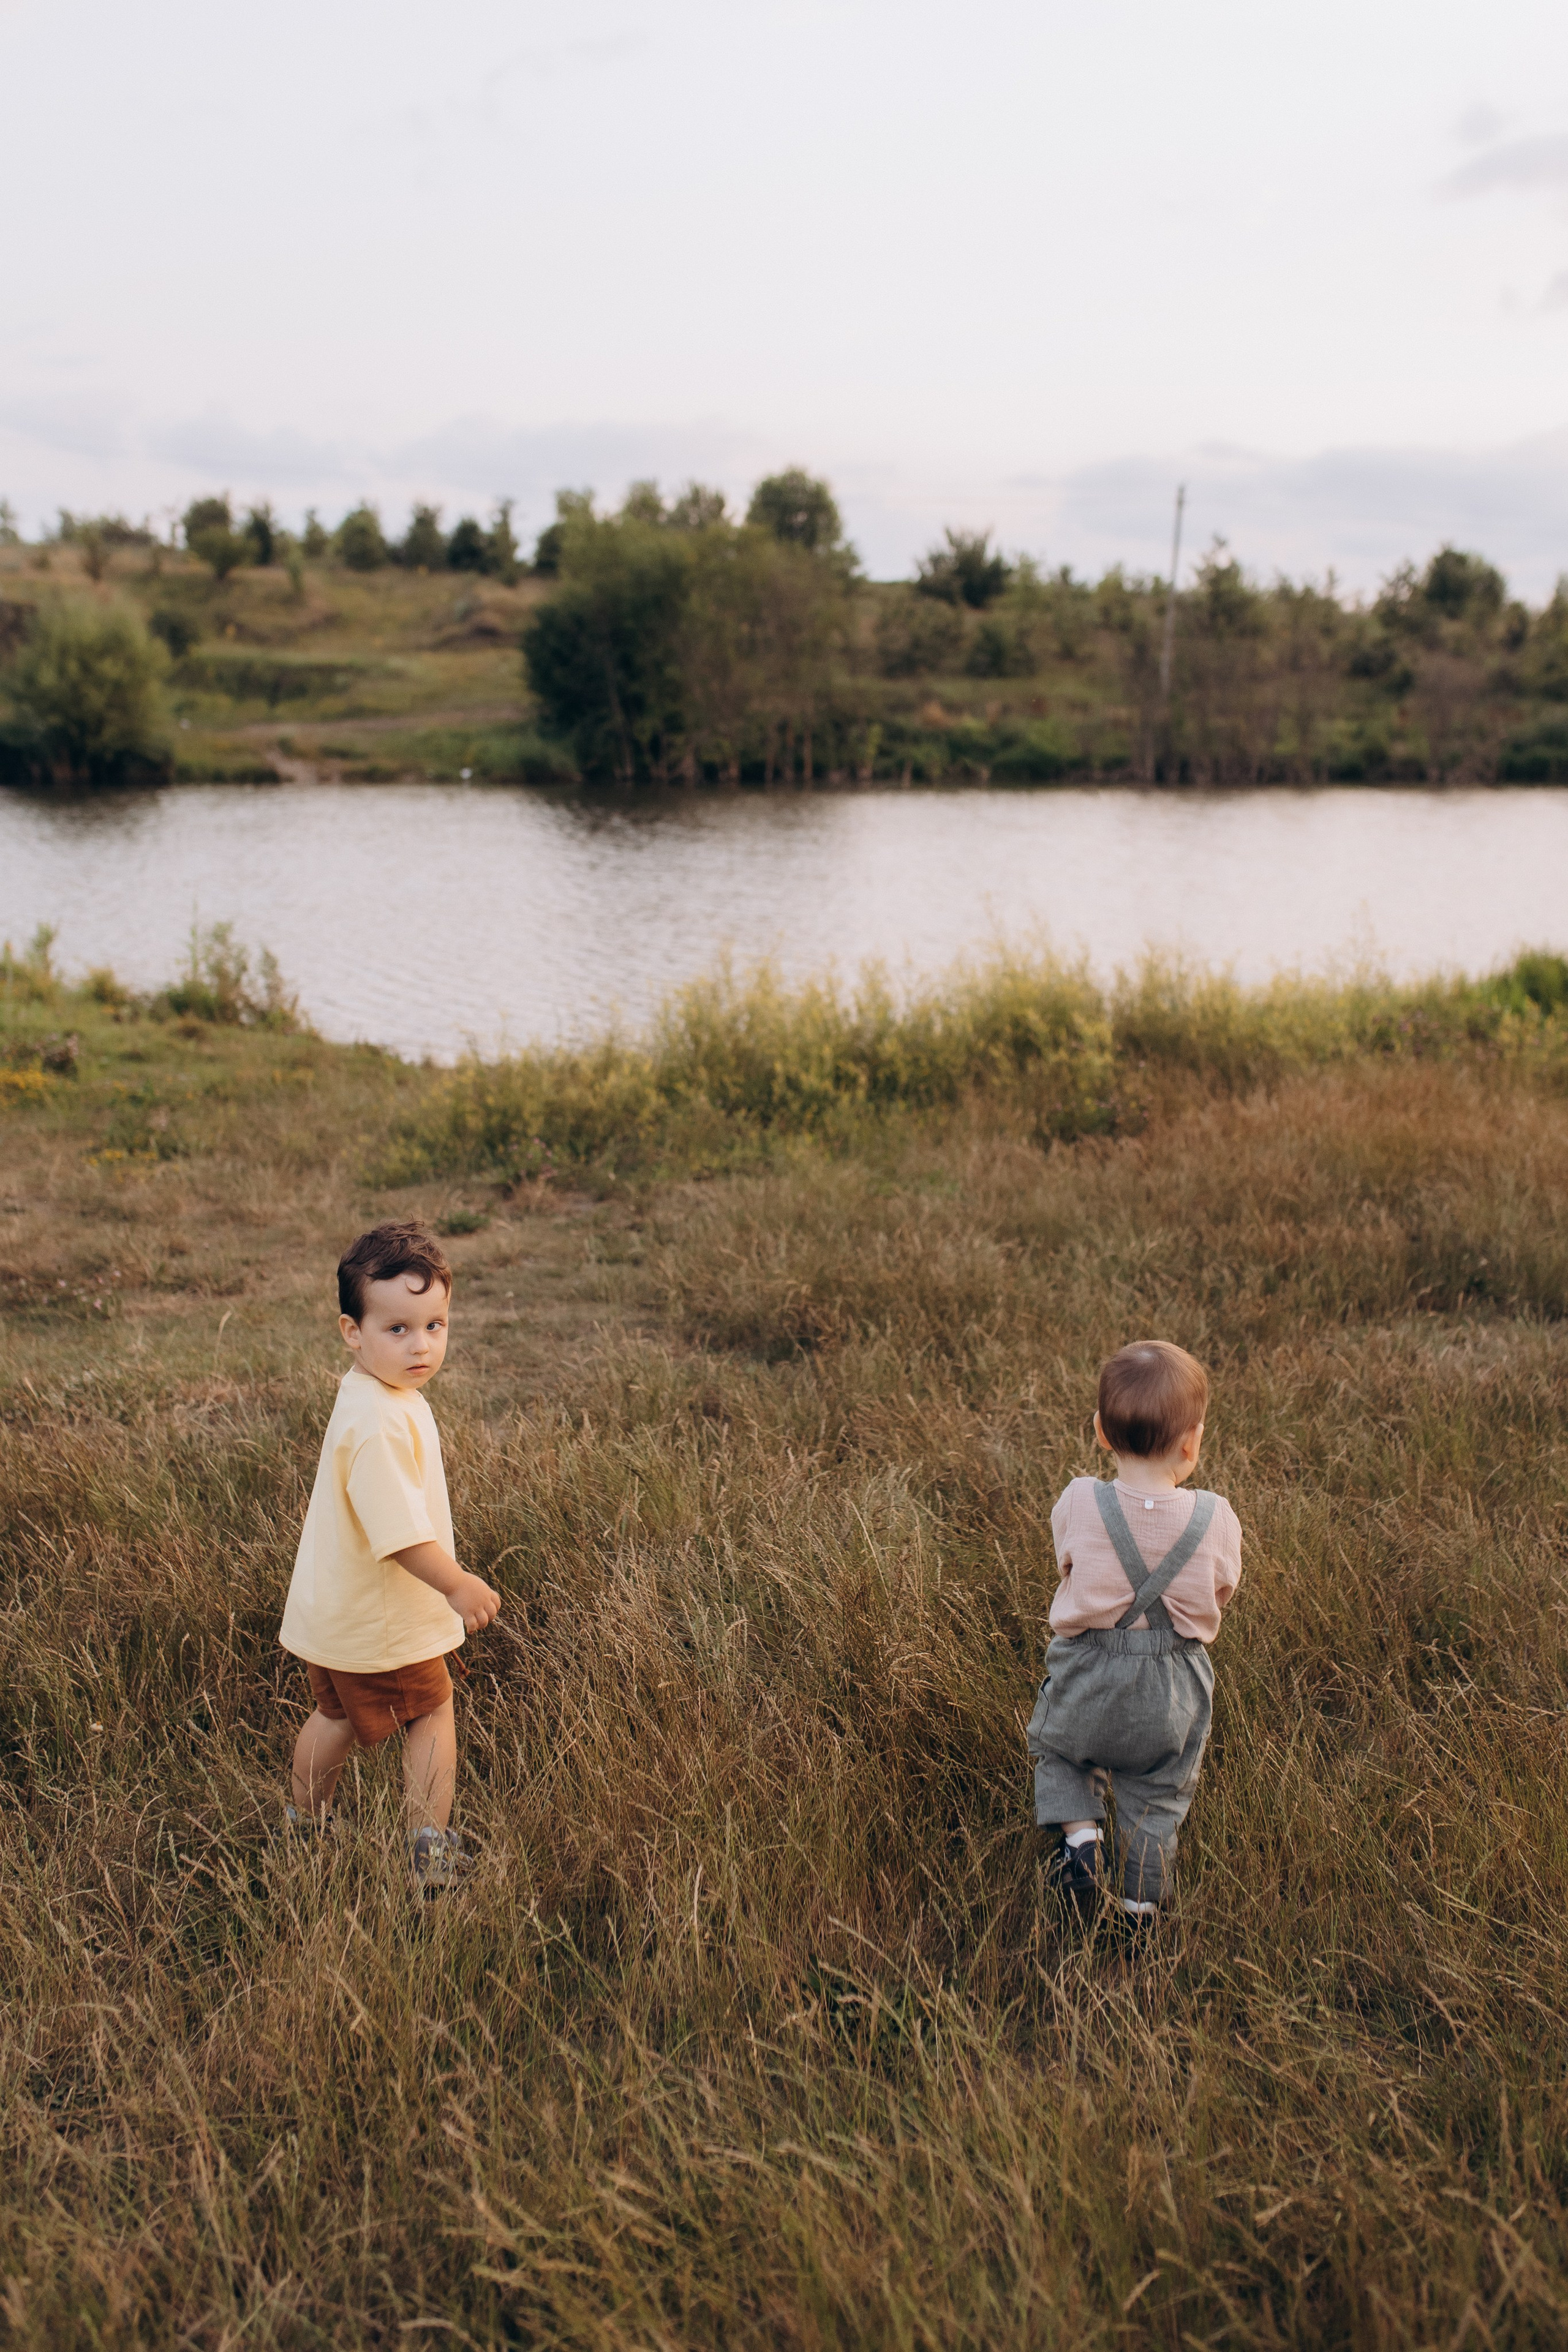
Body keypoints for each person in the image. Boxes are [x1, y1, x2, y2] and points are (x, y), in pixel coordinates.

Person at [279, 1221, 500, 1891]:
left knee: (336, 1716)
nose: (421, 1345)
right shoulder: (379, 1422)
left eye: (435, 1325)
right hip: (382, 1622)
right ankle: (429, 1859)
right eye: (397, 1329)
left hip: (337, 1610)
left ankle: (303, 1828)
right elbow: (400, 1535)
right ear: (353, 1331)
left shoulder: (371, 1393)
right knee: (432, 1712)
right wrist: (456, 1584)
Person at [1027, 1340, 1241, 1926]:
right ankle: (1140, 1907)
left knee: (1059, 1751)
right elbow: (1221, 1592)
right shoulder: (1216, 1518)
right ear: (1193, 1442)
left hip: (1086, 1673)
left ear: (1100, 1431)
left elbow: (1067, 1562)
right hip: (1170, 1690)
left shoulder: (1079, 1500)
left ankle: (1080, 1840)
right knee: (1159, 1795)